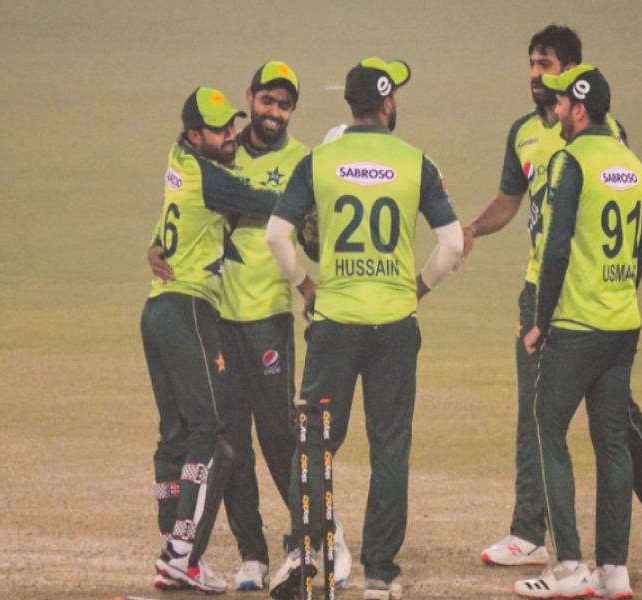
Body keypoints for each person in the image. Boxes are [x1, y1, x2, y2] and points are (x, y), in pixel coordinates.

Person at [463, 24, 642, 568]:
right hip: (540, 291)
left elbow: (624, 212)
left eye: (544, 65)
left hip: (587, 296)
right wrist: (472, 228)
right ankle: (529, 531)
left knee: (612, 415)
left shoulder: (605, 135)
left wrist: (613, 287)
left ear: (572, 74)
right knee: (536, 410)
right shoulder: (523, 132)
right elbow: (509, 200)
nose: (534, 75)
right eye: (531, 63)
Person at [265, 58, 463, 600]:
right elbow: (452, 244)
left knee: (315, 441)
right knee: (390, 445)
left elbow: (277, 235)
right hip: (394, 324)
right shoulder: (416, 162)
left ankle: (309, 553)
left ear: (350, 105)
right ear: (388, 104)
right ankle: (381, 572)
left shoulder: (318, 160)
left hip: (335, 323)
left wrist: (306, 286)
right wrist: (418, 287)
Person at [149, 63, 352, 592]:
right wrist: (157, 242)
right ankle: (252, 554)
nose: (274, 112)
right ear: (250, 98)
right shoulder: (222, 154)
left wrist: (312, 234)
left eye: (284, 105)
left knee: (280, 436)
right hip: (216, 319)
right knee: (230, 439)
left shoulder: (302, 160)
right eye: (267, 101)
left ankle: (316, 536)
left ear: (292, 110)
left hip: (267, 317)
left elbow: (313, 243)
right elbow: (184, 205)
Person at [510, 65, 642, 600]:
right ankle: (614, 570)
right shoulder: (632, 163)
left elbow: (556, 248)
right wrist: (618, 298)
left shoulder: (570, 161)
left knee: (546, 428)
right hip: (622, 323)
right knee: (612, 443)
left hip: (576, 326)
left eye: (563, 103)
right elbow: (641, 249)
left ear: (580, 109)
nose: (556, 110)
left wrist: (540, 321)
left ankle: (569, 565)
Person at [143, 87, 285, 593]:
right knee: (209, 430)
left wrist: (153, 243)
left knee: (175, 434)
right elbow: (266, 203)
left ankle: (172, 548)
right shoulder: (209, 177)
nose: (230, 135)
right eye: (219, 129)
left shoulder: (178, 160)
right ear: (194, 134)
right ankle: (183, 553)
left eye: (232, 125)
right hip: (189, 308)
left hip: (156, 311)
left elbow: (170, 219)